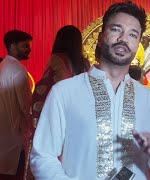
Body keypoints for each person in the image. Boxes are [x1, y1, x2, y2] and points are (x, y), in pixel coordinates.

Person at [30, 1, 150, 180]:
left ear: (138, 45)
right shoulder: (64, 92)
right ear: (100, 37)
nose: (123, 38)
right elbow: (42, 156)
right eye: (116, 29)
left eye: (133, 34)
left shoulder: (148, 98)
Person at [25, 25, 90, 180]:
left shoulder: (57, 60)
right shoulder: (85, 64)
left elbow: (44, 89)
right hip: (80, 121)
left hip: (58, 118)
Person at [32, 25, 90, 123]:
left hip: (61, 107)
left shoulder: (56, 59)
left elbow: (49, 84)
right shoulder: (85, 62)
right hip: (80, 107)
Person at [0, 30, 33, 180]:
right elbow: (27, 108)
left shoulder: (2, 66)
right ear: (12, 46)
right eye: (25, 46)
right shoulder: (18, 70)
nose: (29, 49)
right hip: (15, 142)